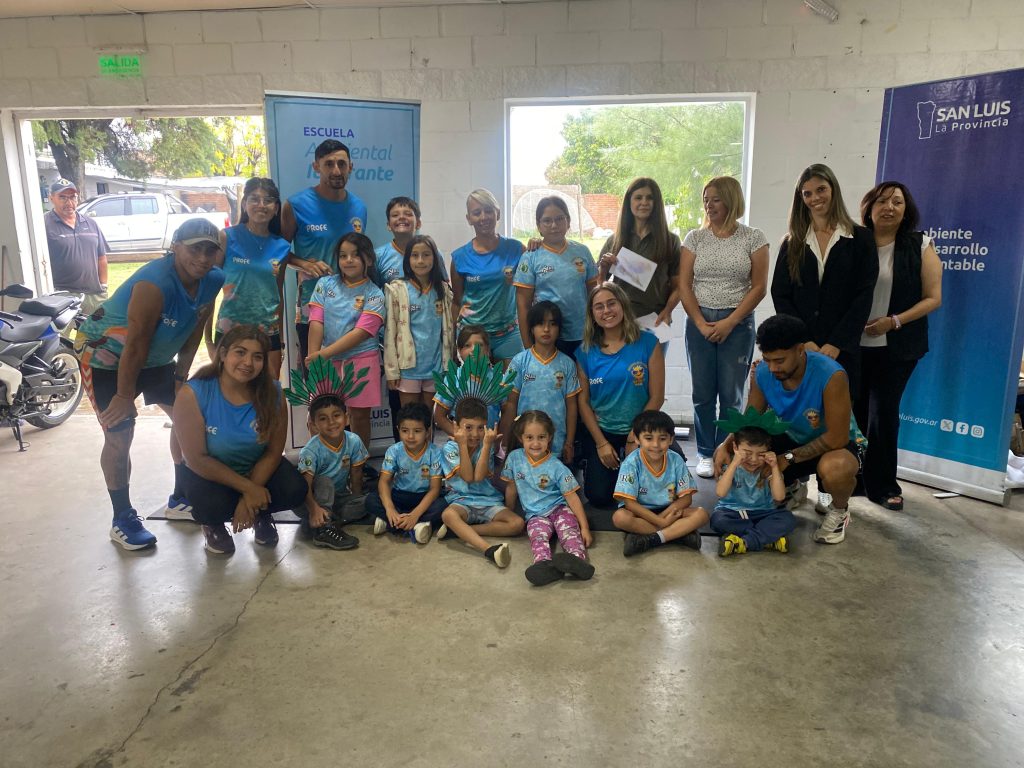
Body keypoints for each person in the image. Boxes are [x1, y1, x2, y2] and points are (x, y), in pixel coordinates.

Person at [77, 219, 224, 549]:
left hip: (156, 358)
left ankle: (180, 499)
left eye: (209, 250)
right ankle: (122, 517)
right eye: (194, 249)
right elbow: (136, 343)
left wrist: (181, 378)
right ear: (176, 247)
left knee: (189, 418)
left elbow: (194, 330)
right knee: (119, 434)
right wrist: (123, 395)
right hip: (106, 358)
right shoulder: (154, 284)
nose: (202, 258)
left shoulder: (213, 279)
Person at [713, 315, 861, 544]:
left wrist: (787, 459)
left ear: (800, 350)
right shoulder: (763, 371)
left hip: (834, 444)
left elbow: (837, 437)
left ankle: (839, 510)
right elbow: (751, 418)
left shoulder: (832, 375)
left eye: (780, 360)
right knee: (743, 450)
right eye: (768, 359)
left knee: (835, 469)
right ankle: (791, 486)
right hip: (790, 437)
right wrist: (725, 444)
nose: (773, 367)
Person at [173, 326, 306, 555]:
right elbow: (196, 459)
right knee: (210, 504)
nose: (248, 363)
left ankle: (260, 513)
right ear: (223, 354)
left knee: (294, 489)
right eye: (240, 352)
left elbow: (274, 452)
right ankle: (213, 524)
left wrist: (248, 500)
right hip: (209, 474)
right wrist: (250, 489)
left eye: (257, 357)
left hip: (254, 467)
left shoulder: (273, 392)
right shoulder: (193, 393)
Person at [856, 182, 942, 511]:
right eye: (882, 201)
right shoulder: (855, 242)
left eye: (897, 202)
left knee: (883, 413)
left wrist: (893, 321)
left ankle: (882, 485)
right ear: (869, 208)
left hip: (897, 345)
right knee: (853, 412)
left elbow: (933, 298)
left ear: (906, 210)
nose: (889, 207)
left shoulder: (919, 245)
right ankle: (854, 479)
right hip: (853, 345)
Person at [679, 176, 769, 478]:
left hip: (738, 323)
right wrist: (700, 323)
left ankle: (726, 449)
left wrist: (731, 321)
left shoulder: (753, 237)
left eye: (715, 199)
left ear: (731, 200)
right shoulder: (695, 238)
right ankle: (705, 452)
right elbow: (684, 285)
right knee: (703, 392)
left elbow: (759, 287)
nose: (709, 205)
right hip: (699, 321)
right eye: (706, 199)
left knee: (731, 394)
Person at [770, 163, 878, 397]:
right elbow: (780, 295)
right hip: (801, 350)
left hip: (843, 350)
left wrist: (837, 343)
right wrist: (804, 340)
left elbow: (864, 295)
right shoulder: (792, 242)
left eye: (821, 190)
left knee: (841, 413)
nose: (815, 198)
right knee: (803, 413)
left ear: (833, 190)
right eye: (807, 193)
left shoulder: (861, 239)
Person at [576, 282, 666, 508]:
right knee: (599, 497)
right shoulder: (585, 352)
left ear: (623, 305)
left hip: (641, 429)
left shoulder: (648, 343)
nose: (606, 311)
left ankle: (668, 453)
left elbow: (657, 396)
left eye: (611, 303)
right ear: (592, 314)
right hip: (604, 431)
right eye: (599, 307)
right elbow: (583, 403)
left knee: (653, 493)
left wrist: (635, 436)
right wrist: (600, 444)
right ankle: (602, 465)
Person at [281, 139, 368, 362]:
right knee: (315, 374)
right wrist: (304, 264)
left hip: (351, 308)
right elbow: (278, 253)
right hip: (312, 308)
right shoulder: (296, 205)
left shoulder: (359, 207)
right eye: (329, 164)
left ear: (351, 167)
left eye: (342, 164)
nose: (336, 170)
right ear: (316, 167)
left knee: (350, 376)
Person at [306, 232, 386, 453]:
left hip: (362, 360)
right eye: (343, 255)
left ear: (368, 259)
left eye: (355, 255)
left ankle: (357, 464)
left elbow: (361, 333)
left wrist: (323, 354)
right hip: (325, 362)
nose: (348, 260)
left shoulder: (375, 294)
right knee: (320, 413)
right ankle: (323, 461)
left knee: (359, 415)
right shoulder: (324, 284)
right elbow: (316, 321)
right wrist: (314, 358)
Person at [209, 177, 291, 378]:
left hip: (268, 331)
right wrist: (208, 340)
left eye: (268, 200)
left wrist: (280, 340)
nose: (261, 205)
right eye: (254, 199)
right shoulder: (226, 237)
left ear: (276, 208)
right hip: (230, 330)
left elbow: (277, 294)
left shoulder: (282, 246)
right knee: (229, 389)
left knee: (269, 390)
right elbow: (208, 290)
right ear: (245, 204)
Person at [502, 411, 594, 586]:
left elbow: (572, 498)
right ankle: (544, 565)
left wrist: (585, 527)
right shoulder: (514, 459)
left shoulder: (556, 466)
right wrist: (508, 511)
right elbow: (511, 488)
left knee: (569, 533)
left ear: (549, 437)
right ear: (521, 438)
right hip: (535, 515)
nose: (536, 443)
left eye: (541, 437)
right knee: (537, 538)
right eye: (529, 437)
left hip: (559, 509)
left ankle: (578, 561)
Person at [289, 359, 371, 551]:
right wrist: (314, 508)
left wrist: (356, 499)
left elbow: (356, 475)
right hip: (308, 500)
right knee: (324, 481)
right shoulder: (311, 450)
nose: (331, 422)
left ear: (347, 417)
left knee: (370, 501)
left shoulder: (354, 441)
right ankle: (323, 528)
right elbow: (305, 486)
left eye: (336, 415)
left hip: (338, 498)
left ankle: (326, 520)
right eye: (323, 419)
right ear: (314, 424)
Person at [437, 399, 524, 568]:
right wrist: (462, 445)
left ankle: (460, 531)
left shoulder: (486, 446)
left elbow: (478, 477)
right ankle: (489, 549)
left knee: (517, 524)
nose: (475, 434)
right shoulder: (450, 448)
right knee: (448, 515)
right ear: (457, 426)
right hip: (462, 501)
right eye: (468, 427)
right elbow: (468, 477)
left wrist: (487, 446)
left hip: (488, 500)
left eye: (480, 428)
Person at [612, 410, 706, 556]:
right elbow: (630, 504)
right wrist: (661, 522)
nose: (656, 445)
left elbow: (686, 499)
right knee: (620, 517)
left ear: (671, 439)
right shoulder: (631, 463)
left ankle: (652, 539)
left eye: (662, 439)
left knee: (701, 514)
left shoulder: (676, 460)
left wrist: (662, 518)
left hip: (669, 510)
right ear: (637, 439)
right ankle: (677, 535)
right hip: (641, 513)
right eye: (648, 438)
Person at [514, 196, 599, 358]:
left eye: (559, 219)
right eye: (547, 221)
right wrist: (528, 348)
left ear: (568, 221)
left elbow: (594, 295)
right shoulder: (530, 256)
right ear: (539, 225)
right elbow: (523, 304)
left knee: (582, 375)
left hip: (583, 334)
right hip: (547, 338)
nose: (554, 225)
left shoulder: (582, 251)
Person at [450, 188, 525, 363]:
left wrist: (537, 243)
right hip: (473, 336)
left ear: (498, 214)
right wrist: (453, 341)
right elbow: (457, 301)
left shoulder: (516, 249)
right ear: (469, 219)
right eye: (477, 213)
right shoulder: (460, 257)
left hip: (508, 334)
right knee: (476, 381)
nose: (483, 217)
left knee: (510, 381)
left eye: (488, 211)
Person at [500, 302, 580, 463]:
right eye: (540, 324)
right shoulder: (519, 362)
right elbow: (511, 404)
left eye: (552, 324)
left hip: (556, 445)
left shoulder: (567, 364)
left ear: (559, 329)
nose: (546, 329)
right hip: (524, 443)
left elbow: (571, 406)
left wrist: (569, 442)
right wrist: (505, 441)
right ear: (531, 328)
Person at [598, 178, 682, 330]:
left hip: (657, 320)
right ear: (629, 202)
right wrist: (603, 270)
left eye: (650, 198)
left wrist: (667, 311)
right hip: (621, 320)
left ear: (657, 203)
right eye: (638, 197)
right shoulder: (615, 241)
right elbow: (599, 286)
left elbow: (679, 286)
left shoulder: (671, 241)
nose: (644, 202)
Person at [710, 408, 795, 556]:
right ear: (735, 447)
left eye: (761, 454)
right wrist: (734, 464)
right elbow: (720, 493)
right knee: (717, 520)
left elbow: (779, 497)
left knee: (788, 519)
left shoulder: (768, 469)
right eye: (747, 453)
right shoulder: (730, 465)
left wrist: (775, 467)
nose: (754, 460)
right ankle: (767, 538)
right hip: (733, 513)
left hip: (764, 513)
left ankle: (743, 542)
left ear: (768, 450)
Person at [383, 235, 454, 408]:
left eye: (426, 255)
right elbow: (390, 332)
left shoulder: (443, 290)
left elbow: (450, 331)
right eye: (415, 255)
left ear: (435, 258)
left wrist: (449, 365)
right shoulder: (397, 289)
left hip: (436, 366)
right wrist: (392, 371)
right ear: (408, 260)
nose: (420, 261)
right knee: (410, 417)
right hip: (407, 368)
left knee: (429, 418)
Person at [366, 402, 447, 544]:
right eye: (405, 431)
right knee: (371, 500)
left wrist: (415, 514)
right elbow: (384, 482)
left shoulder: (434, 453)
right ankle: (412, 523)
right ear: (398, 429)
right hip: (399, 496)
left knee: (444, 504)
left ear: (427, 432)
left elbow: (434, 489)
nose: (410, 436)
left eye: (417, 431)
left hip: (424, 497)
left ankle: (393, 523)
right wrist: (390, 509)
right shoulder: (394, 451)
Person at [44, 178, 109, 322]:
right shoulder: (44, 224)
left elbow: (101, 257)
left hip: (94, 295)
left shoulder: (91, 223)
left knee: (96, 334)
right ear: (51, 198)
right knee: (59, 334)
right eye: (62, 197)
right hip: (62, 296)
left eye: (72, 197)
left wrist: (103, 286)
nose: (69, 202)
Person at [432, 325, 504, 437]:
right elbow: (439, 417)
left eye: (479, 345)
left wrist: (498, 441)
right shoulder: (453, 379)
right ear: (459, 351)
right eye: (467, 345)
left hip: (488, 442)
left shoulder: (499, 379)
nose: (474, 350)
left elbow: (508, 413)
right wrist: (461, 437)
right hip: (460, 443)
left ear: (487, 349)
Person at [373, 196, 448, 286]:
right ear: (388, 225)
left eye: (408, 214)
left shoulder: (434, 253)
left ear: (418, 223)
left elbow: (443, 287)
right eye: (395, 215)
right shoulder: (378, 256)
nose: (401, 217)